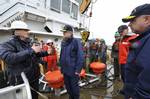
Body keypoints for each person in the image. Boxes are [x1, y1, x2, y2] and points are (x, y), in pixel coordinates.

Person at [0, 21, 52, 99]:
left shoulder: (27, 43)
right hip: (21, 81)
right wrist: (31, 50)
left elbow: (36, 54)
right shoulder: (7, 44)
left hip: (34, 78)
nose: (28, 32)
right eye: (26, 30)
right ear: (17, 31)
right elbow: (9, 58)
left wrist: (46, 53)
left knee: (34, 97)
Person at [122, 4, 150, 99]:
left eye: (133, 20)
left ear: (147, 19)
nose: (129, 24)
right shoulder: (143, 39)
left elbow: (147, 79)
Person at [59, 25, 84, 99]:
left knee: (74, 89)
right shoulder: (63, 42)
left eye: (65, 32)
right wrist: (61, 67)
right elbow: (61, 55)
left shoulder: (76, 41)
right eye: (63, 32)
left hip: (73, 71)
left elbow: (80, 56)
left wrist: (78, 70)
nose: (63, 34)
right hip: (65, 70)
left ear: (70, 33)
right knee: (68, 87)